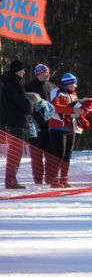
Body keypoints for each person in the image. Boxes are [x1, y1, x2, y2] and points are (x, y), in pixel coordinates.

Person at [1, 59, 33, 189]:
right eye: (23, 70)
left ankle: (11, 179)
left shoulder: (7, 82)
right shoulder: (13, 84)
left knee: (15, 150)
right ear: (17, 70)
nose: (24, 72)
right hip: (16, 121)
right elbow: (22, 102)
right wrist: (32, 104)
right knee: (16, 150)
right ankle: (11, 180)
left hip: (10, 120)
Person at [24, 63, 55, 184]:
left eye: (48, 72)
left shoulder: (52, 86)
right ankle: (37, 179)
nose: (47, 74)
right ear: (38, 74)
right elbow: (24, 105)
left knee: (51, 153)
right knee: (36, 154)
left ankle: (50, 178)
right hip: (34, 124)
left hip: (51, 124)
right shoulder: (28, 86)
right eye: (44, 72)